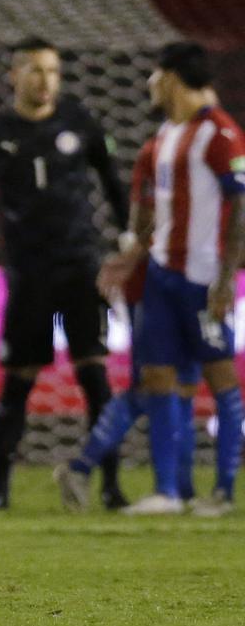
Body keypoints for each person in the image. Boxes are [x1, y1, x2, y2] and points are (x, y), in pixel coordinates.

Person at [0, 37, 129, 510]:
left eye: (53, 72)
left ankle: (110, 486)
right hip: (28, 271)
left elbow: (111, 181)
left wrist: (126, 243)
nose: (46, 81)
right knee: (18, 378)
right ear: (15, 76)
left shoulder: (79, 120)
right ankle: (0, 488)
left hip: (80, 266)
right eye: (37, 71)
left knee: (94, 375)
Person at [95, 42, 245, 516]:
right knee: (158, 378)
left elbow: (240, 206)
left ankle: (222, 491)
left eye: (154, 75)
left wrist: (227, 280)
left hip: (203, 279)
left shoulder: (221, 134)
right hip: (161, 274)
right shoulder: (167, 134)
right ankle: (169, 491)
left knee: (222, 380)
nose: (148, 85)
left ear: (172, 78)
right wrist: (131, 258)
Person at [55, 139, 201, 511]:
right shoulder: (159, 152)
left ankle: (178, 488)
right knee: (155, 383)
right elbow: (146, 219)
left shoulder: (169, 151)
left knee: (173, 383)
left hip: (176, 282)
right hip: (153, 286)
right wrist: (134, 258)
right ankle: (90, 468)